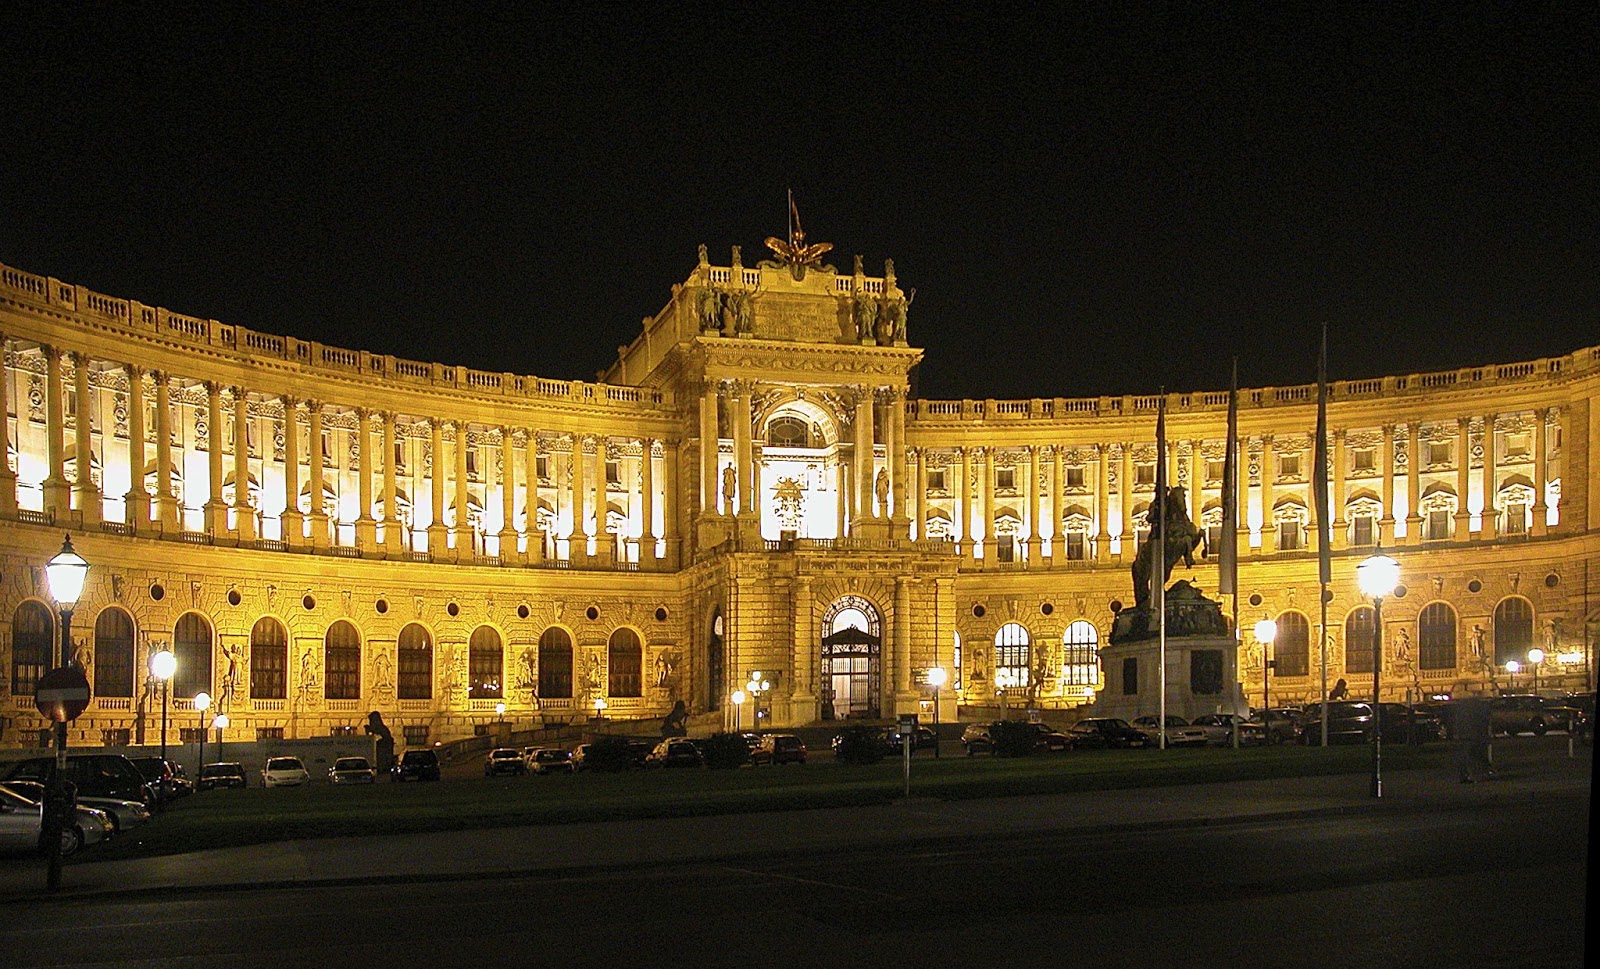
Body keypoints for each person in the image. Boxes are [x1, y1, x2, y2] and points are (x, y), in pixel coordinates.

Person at [1450, 696, 1494, 782]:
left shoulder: (1461, 712)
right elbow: (1484, 723)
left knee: (1466, 757)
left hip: (1465, 736)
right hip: (1474, 736)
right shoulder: (1478, 712)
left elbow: (1457, 724)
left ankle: (1466, 775)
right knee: (1474, 756)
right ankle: (1476, 775)